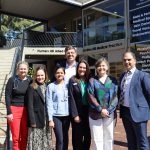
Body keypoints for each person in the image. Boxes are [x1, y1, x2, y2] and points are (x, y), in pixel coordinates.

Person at [119, 51, 150, 150]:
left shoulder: (143, 75)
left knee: (142, 143)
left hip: (139, 114)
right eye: (124, 60)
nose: (127, 62)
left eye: (129, 60)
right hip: (125, 113)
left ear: (135, 61)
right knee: (131, 141)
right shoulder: (122, 76)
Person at [87, 58, 118, 150]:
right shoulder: (92, 80)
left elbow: (115, 97)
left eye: (103, 65)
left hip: (109, 113)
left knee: (109, 137)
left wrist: (108, 110)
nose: (101, 67)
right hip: (95, 113)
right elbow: (90, 96)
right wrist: (100, 109)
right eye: (99, 66)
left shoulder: (112, 80)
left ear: (107, 67)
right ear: (96, 68)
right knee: (97, 138)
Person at [5, 61, 32, 150]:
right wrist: (9, 112)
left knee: (24, 136)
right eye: (21, 68)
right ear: (17, 69)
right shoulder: (12, 80)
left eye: (24, 68)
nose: (23, 70)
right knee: (16, 137)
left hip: (26, 111)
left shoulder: (30, 80)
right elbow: (7, 96)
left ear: (28, 70)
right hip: (14, 109)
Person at [26, 66, 53, 150]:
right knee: (36, 143)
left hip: (46, 119)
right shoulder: (32, 87)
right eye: (38, 75)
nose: (40, 77)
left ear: (45, 75)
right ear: (35, 76)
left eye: (42, 75)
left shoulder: (48, 86)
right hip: (36, 119)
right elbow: (29, 105)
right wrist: (32, 121)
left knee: (45, 142)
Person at [68, 59, 91, 150]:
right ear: (77, 68)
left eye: (84, 68)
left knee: (88, 136)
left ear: (87, 69)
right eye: (80, 67)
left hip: (89, 112)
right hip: (77, 111)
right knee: (77, 137)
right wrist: (75, 115)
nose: (82, 69)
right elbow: (71, 98)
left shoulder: (90, 80)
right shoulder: (73, 80)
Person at [46, 66, 70, 150]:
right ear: (55, 74)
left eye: (61, 73)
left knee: (66, 138)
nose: (59, 74)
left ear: (64, 74)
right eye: (57, 73)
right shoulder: (51, 86)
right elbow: (49, 103)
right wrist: (50, 119)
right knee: (60, 139)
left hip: (67, 115)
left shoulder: (68, 85)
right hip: (56, 116)